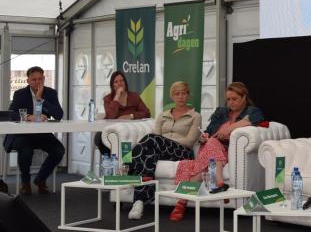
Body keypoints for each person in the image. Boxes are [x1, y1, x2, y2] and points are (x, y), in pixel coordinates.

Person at [164, 81, 265, 222]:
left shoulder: (252, 111)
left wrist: (229, 128)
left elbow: (257, 121)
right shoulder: (221, 112)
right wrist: (203, 137)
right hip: (211, 150)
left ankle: (182, 202)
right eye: (228, 99)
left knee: (206, 152)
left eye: (235, 99)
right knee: (211, 141)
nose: (231, 102)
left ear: (244, 97)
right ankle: (219, 182)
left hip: (229, 151)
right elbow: (208, 132)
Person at [127, 81, 201, 220]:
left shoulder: (195, 116)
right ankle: (139, 202)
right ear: (172, 96)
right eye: (177, 94)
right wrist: (161, 141)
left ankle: (129, 167)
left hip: (182, 151)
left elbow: (190, 141)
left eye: (183, 93)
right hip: (161, 149)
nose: (180, 97)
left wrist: (166, 140)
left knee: (151, 139)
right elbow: (155, 137)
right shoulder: (163, 115)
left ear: (188, 95)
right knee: (148, 152)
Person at [3, 66, 65, 195]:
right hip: (22, 134)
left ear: (44, 79)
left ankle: (40, 179)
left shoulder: (50, 93)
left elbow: (59, 115)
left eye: (40, 79)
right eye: (34, 79)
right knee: (26, 150)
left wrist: (40, 100)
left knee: (59, 150)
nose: (38, 82)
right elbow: (11, 113)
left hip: (41, 134)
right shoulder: (20, 94)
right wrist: (27, 117)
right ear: (28, 81)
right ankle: (25, 183)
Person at [93, 70, 151, 156]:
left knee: (125, 140)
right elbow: (110, 116)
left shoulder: (134, 96)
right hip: (113, 130)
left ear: (125, 82)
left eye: (121, 80)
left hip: (130, 129)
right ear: (113, 86)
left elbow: (146, 113)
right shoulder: (108, 99)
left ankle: (125, 166)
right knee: (99, 137)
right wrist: (116, 97)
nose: (119, 83)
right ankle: (111, 162)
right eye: (116, 82)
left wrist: (131, 116)